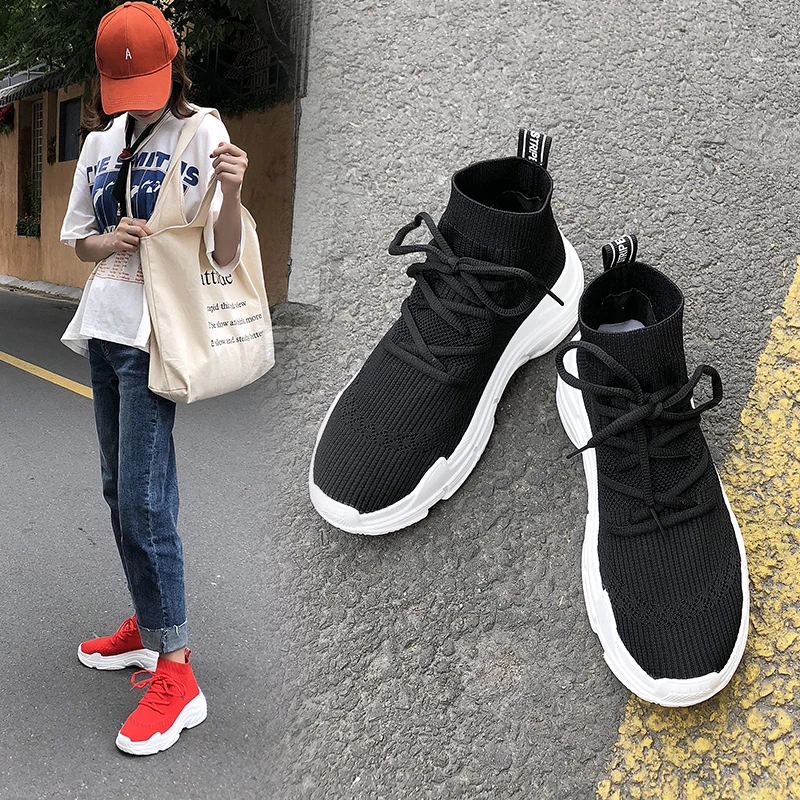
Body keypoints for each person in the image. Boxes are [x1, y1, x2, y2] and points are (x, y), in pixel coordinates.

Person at [58, 1, 249, 755]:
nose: (137, 105)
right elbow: (80, 244)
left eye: (149, 88)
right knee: (118, 490)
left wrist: (233, 193)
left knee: (145, 498)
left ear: (174, 69)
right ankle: (148, 624)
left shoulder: (202, 132)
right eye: (124, 92)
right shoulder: (102, 142)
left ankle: (177, 670)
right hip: (104, 329)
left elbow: (225, 254)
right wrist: (114, 237)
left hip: (153, 337)